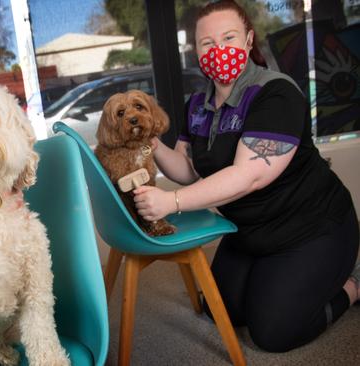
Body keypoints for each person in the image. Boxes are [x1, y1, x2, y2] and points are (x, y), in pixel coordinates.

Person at [133, 0, 359, 353]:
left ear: (248, 40)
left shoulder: (276, 92)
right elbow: (188, 170)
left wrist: (170, 203)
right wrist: (151, 143)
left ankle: (353, 284)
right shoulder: (196, 105)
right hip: (250, 232)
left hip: (311, 227)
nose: (218, 49)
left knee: (273, 332)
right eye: (207, 43)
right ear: (196, 51)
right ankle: (274, 278)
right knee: (217, 308)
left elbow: (248, 176)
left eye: (229, 37)